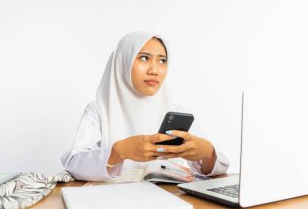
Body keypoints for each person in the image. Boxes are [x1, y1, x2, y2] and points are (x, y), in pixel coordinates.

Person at [61, 31, 230, 181]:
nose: (155, 70)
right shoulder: (98, 111)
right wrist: (119, 152)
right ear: (123, 61)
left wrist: (208, 154)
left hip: (169, 204)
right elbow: (73, 164)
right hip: (113, 206)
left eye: (162, 61)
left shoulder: (176, 111)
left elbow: (215, 170)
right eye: (144, 58)